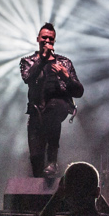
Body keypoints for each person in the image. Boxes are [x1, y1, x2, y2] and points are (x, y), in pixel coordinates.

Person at [19, 22, 84, 178]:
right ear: (38, 39)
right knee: (35, 159)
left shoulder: (65, 63)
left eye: (50, 38)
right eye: (44, 38)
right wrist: (42, 59)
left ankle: (53, 160)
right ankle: (40, 195)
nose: (47, 41)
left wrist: (66, 76)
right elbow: (28, 78)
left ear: (54, 41)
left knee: (54, 107)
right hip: (37, 112)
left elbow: (79, 91)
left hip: (59, 106)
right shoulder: (28, 61)